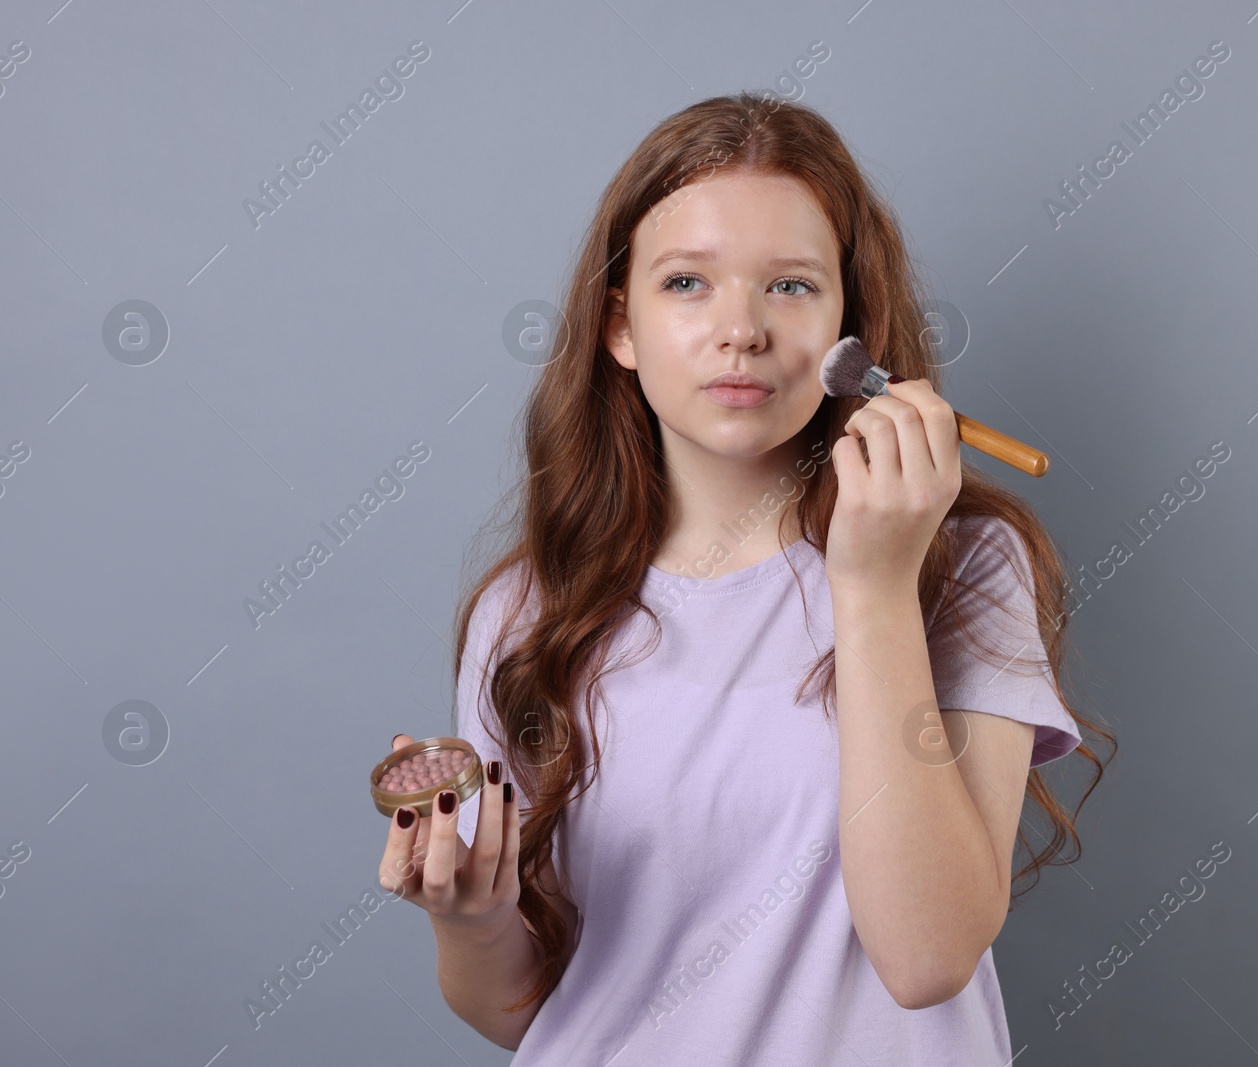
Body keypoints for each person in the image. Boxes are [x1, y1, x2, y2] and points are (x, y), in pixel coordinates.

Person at [379, 90, 1115, 1065]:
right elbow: (535, 1006)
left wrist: (873, 587)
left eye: (792, 286)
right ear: (620, 327)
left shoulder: (962, 560)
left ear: (857, 327)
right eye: (687, 282)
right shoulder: (527, 609)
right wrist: (467, 919)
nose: (741, 330)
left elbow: (927, 955)